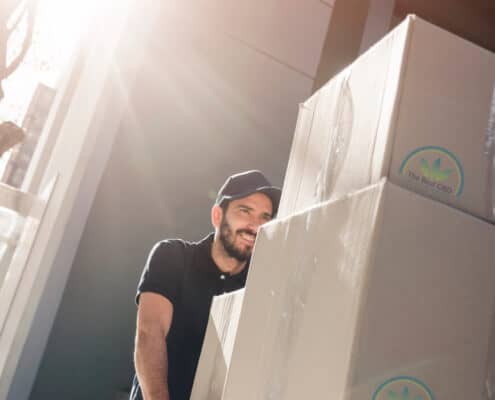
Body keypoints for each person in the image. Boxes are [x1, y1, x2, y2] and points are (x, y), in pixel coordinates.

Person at [130, 170, 281, 400]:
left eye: (265, 217)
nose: (255, 226)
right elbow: (150, 332)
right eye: (245, 211)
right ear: (218, 216)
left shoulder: (260, 287)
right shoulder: (173, 257)